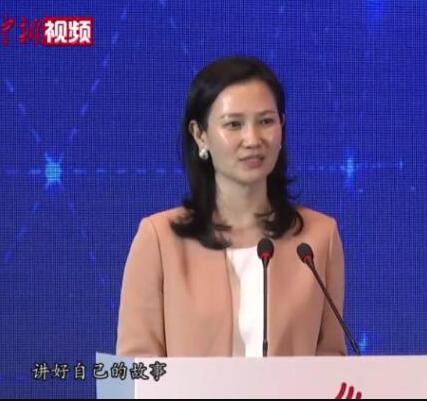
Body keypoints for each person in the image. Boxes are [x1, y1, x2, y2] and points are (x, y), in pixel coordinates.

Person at [116, 56, 347, 357]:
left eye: (266, 121)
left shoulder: (319, 238)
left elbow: (333, 362)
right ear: (200, 135)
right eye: (234, 124)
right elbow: (129, 370)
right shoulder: (159, 239)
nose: (252, 139)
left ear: (282, 126)